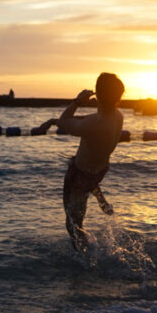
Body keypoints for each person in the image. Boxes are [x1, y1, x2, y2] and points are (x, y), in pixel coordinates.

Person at [36, 73, 125, 251]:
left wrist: (77, 102)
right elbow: (87, 120)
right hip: (99, 171)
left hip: (79, 176)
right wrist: (52, 121)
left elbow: (65, 121)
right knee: (88, 179)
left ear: (97, 95)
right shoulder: (117, 116)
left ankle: (85, 260)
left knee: (73, 226)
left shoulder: (94, 124)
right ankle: (102, 201)